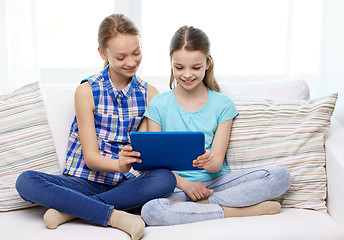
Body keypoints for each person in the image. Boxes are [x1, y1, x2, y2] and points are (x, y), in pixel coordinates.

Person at [15, 13, 176, 240]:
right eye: (121, 57)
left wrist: (141, 162)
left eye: (136, 53)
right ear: (103, 53)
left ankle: (70, 212)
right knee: (25, 181)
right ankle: (116, 217)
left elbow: (153, 155)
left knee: (165, 178)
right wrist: (119, 165)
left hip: (126, 185)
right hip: (84, 182)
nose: (131, 62)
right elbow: (91, 157)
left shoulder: (150, 93)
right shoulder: (87, 91)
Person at [140, 26, 291, 226]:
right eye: (179, 67)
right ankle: (232, 212)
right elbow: (156, 167)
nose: (187, 75)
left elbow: (217, 163)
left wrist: (209, 160)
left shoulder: (222, 104)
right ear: (171, 64)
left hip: (218, 184)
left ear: (207, 64)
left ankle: (204, 206)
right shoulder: (158, 104)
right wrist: (186, 185)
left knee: (280, 176)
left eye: (195, 67)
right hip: (177, 187)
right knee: (151, 211)